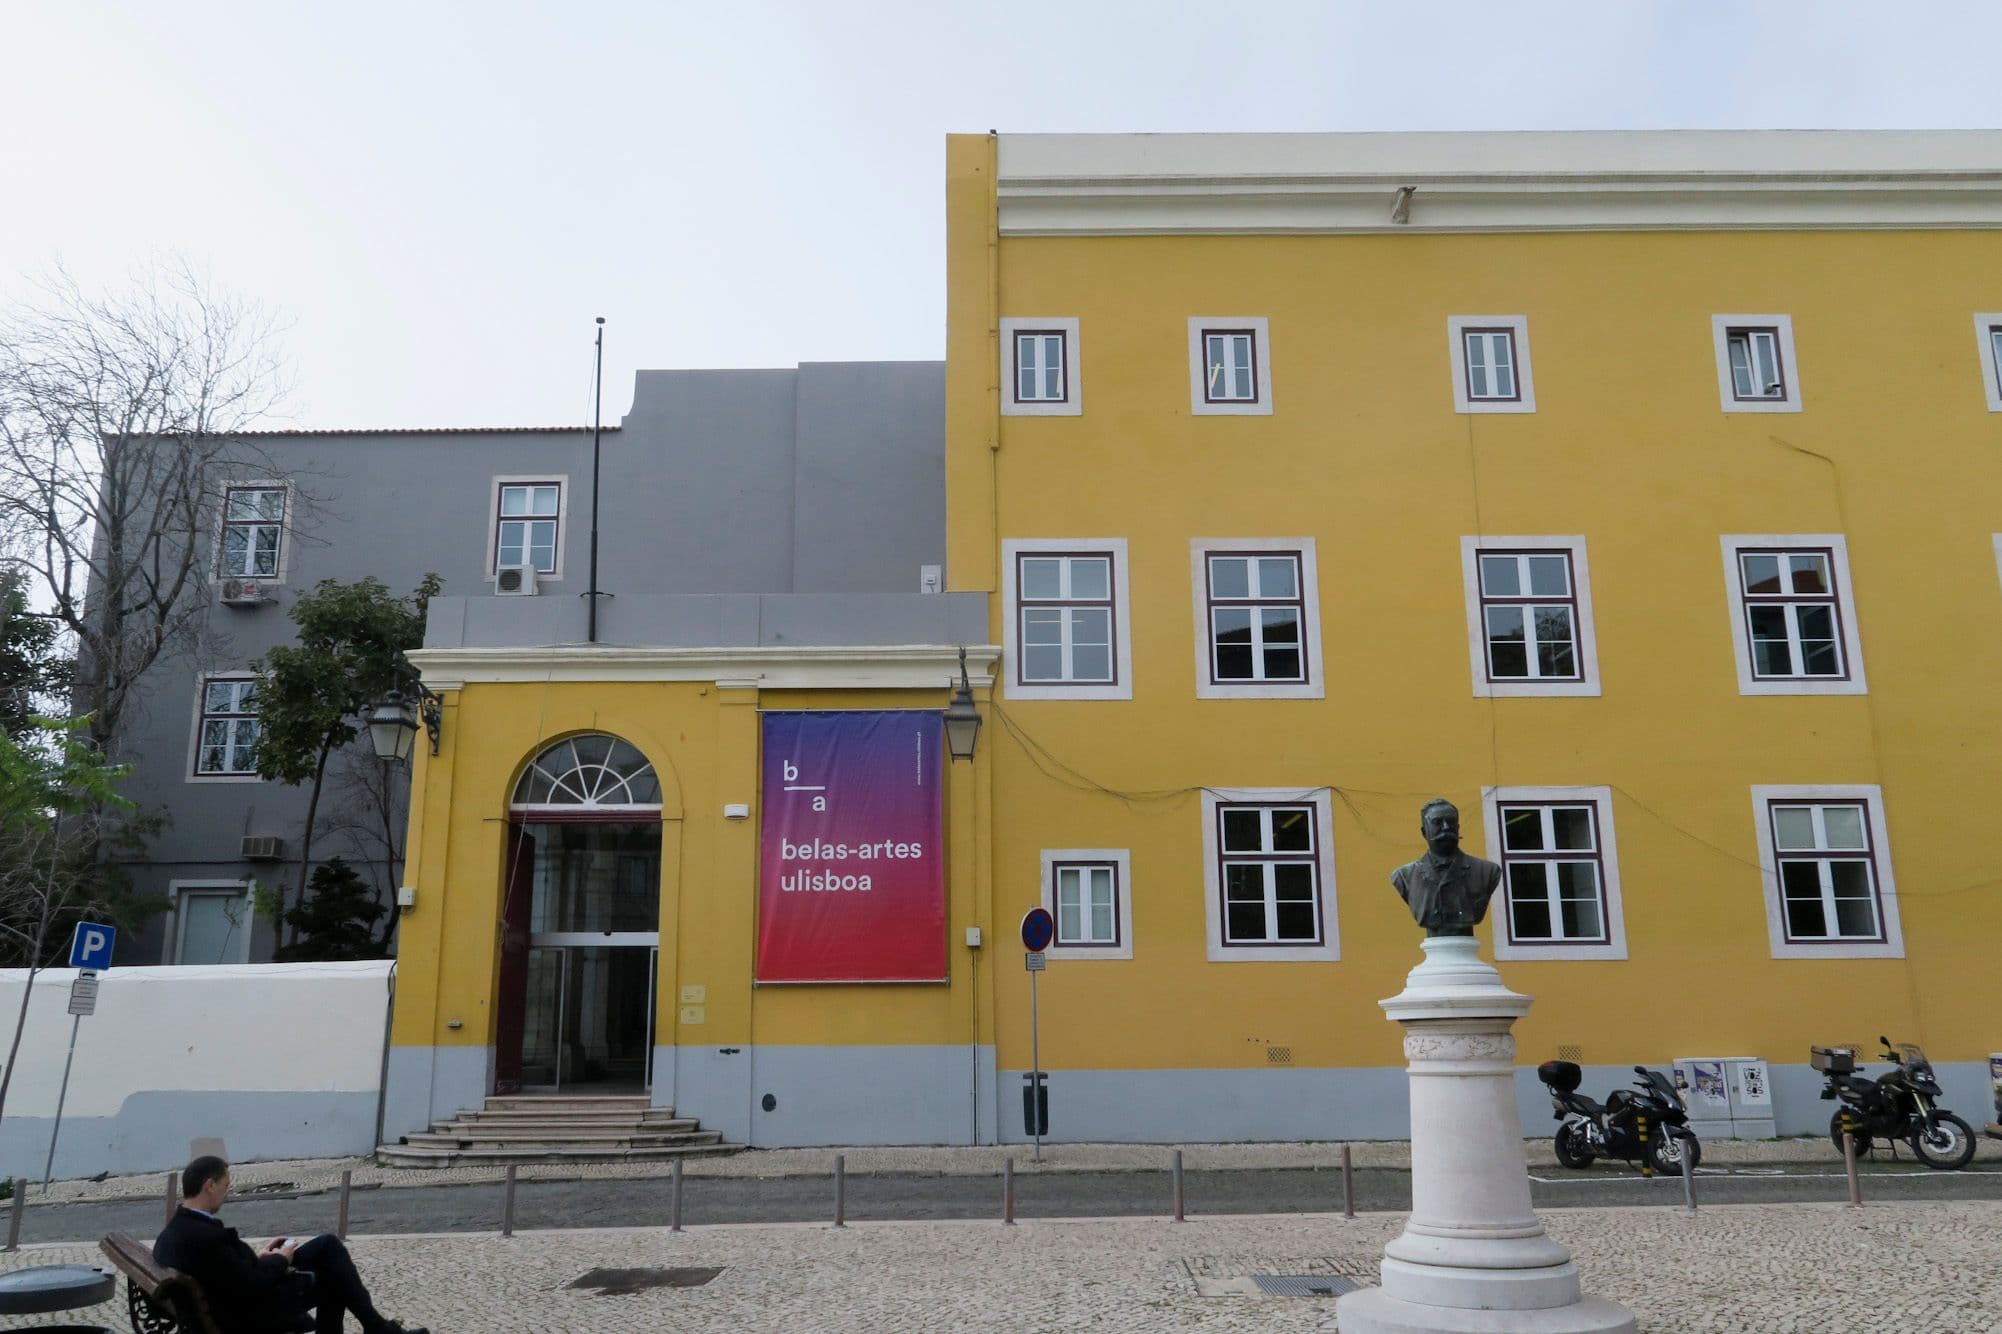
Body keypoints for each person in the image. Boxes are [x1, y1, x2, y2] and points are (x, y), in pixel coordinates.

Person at [154, 1154, 428, 1334]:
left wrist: (260, 1257)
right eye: (226, 1186)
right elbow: (253, 1286)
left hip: (227, 1299)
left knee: (327, 1246)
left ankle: (377, 1327)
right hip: (248, 1314)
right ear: (209, 1185)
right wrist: (280, 1259)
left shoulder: (176, 1230)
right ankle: (378, 1328)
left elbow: (228, 1271)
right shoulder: (207, 1236)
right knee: (333, 1276)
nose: (227, 1194)